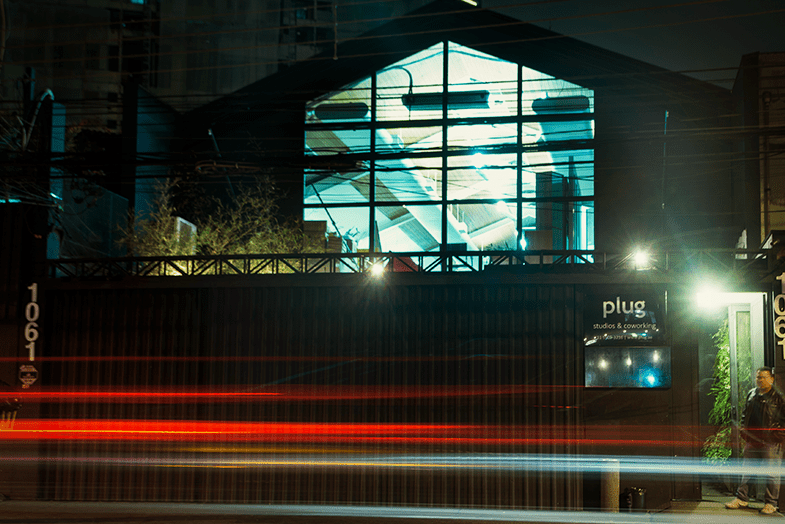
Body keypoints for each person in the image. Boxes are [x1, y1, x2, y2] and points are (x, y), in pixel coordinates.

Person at [725, 367, 785, 515]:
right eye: (758, 377)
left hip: (771, 442)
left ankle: (771, 503)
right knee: (747, 471)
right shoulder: (752, 394)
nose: (760, 380)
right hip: (752, 440)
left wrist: (778, 435)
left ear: (771, 379)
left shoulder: (779, 397)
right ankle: (742, 498)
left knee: (772, 473)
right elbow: (745, 413)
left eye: (764, 377)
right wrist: (743, 431)